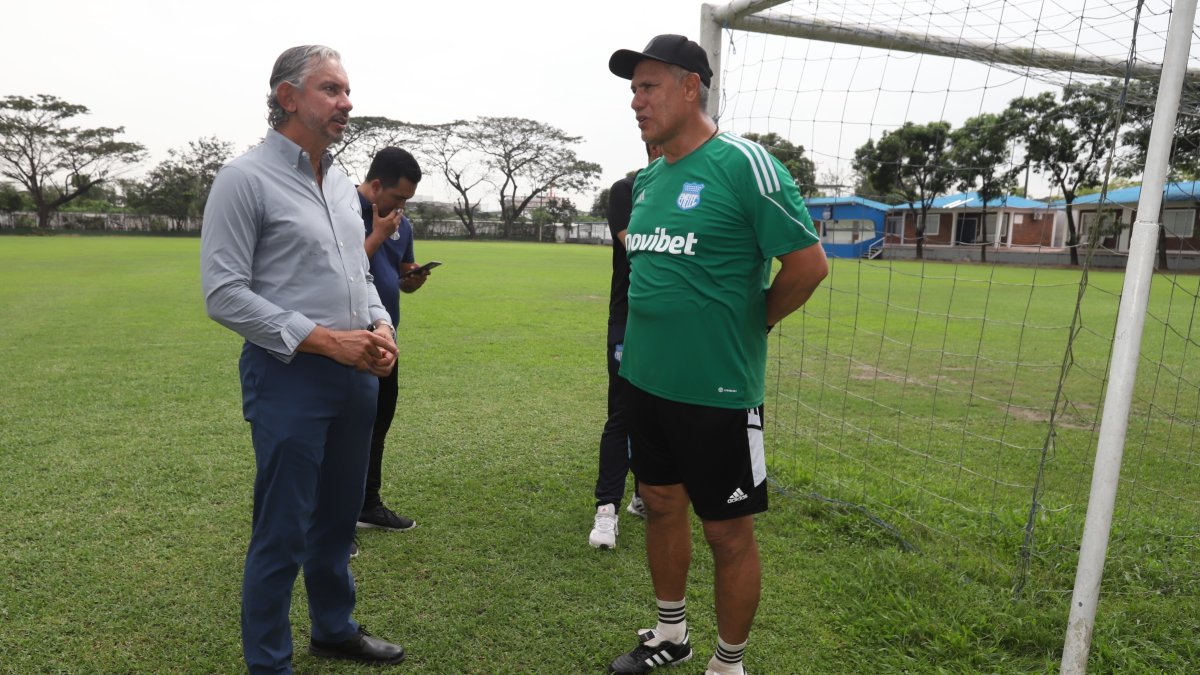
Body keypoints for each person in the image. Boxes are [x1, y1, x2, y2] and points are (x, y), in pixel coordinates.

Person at [605, 35, 829, 675]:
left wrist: (752, 321)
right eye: (633, 90)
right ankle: (671, 634)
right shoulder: (649, 176)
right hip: (645, 383)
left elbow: (808, 265)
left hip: (719, 393)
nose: (636, 101)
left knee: (727, 532)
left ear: (688, 86)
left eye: (647, 87)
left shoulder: (743, 164)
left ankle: (729, 665)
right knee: (660, 502)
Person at [201, 45, 405, 673]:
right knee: (282, 526)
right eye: (330, 89)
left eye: (346, 90)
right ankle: (268, 661)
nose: (346, 102)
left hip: (355, 375)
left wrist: (378, 323)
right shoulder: (245, 180)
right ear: (287, 97)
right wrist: (322, 339)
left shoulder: (343, 183)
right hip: (289, 375)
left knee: (339, 517)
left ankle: (333, 627)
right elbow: (223, 293)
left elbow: (357, 270)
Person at [589, 142, 663, 550]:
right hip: (629, 317)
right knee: (623, 412)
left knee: (661, 414)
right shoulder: (626, 189)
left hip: (675, 322)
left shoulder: (694, 187)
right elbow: (634, 243)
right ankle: (606, 511)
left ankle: (643, 495)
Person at [355, 147, 430, 539]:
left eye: (407, 200)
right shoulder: (343, 208)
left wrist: (413, 278)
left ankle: (367, 504)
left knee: (378, 425)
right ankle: (332, 521)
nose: (402, 206)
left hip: (388, 338)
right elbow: (344, 269)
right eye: (398, 197)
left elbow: (401, 272)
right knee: (344, 430)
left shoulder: (402, 221)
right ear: (376, 185)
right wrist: (377, 235)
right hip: (348, 337)